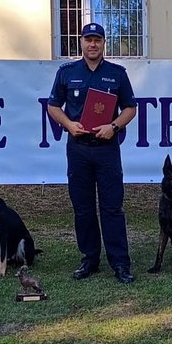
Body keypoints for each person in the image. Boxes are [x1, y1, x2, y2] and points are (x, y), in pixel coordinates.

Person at [46, 23, 138, 284]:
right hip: (78, 149)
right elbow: (53, 106)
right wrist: (68, 124)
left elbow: (130, 108)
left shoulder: (117, 74)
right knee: (83, 208)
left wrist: (114, 126)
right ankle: (89, 259)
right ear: (81, 42)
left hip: (107, 149)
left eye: (97, 40)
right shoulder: (67, 73)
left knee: (112, 208)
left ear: (104, 43)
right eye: (88, 40)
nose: (93, 45)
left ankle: (120, 263)